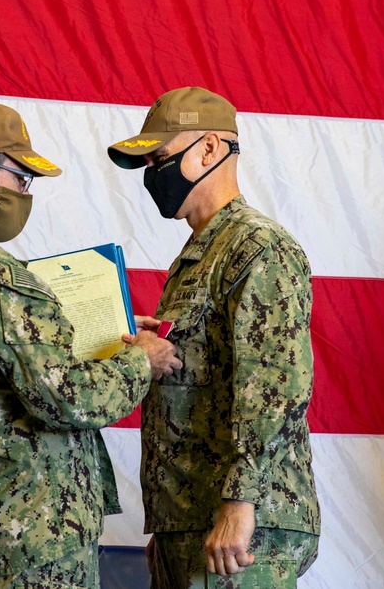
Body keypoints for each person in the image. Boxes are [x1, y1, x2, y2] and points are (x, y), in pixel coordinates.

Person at [0, 98, 182, 589]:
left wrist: (103, 334)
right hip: (35, 539)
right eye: (21, 179)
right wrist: (139, 361)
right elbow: (67, 398)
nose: (24, 193)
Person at [107, 87, 321, 588]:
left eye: (159, 159)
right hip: (193, 520)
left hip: (243, 526)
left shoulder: (257, 247)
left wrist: (239, 504)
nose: (151, 177)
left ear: (208, 149)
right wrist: (170, 524)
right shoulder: (202, 254)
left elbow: (275, 386)